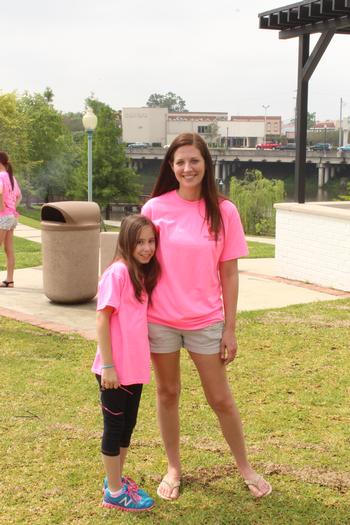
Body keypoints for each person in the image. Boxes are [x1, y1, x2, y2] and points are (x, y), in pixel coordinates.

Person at [142, 133, 272, 500]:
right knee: (168, 393)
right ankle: (173, 467)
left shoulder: (224, 210)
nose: (187, 168)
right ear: (171, 166)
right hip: (161, 321)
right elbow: (138, 264)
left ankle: (245, 466)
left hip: (206, 322)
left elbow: (229, 273)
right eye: (180, 162)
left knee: (220, 399)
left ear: (206, 164)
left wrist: (230, 328)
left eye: (194, 161)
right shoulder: (154, 209)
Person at [91, 214, 161, 512]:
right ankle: (115, 493)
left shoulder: (140, 275)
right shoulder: (117, 273)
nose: (146, 248)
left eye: (150, 241)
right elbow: (102, 318)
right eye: (140, 242)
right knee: (114, 426)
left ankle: (115, 479)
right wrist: (108, 366)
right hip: (114, 370)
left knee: (127, 427)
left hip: (134, 368)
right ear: (126, 243)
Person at [0, 151, 22, 288]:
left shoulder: (0, 176)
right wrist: (12, 207)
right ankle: (10, 280)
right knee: (9, 250)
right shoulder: (11, 177)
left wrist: (2, 207)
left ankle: (9, 280)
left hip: (3, 216)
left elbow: (0, 193)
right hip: (12, 216)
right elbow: (19, 196)